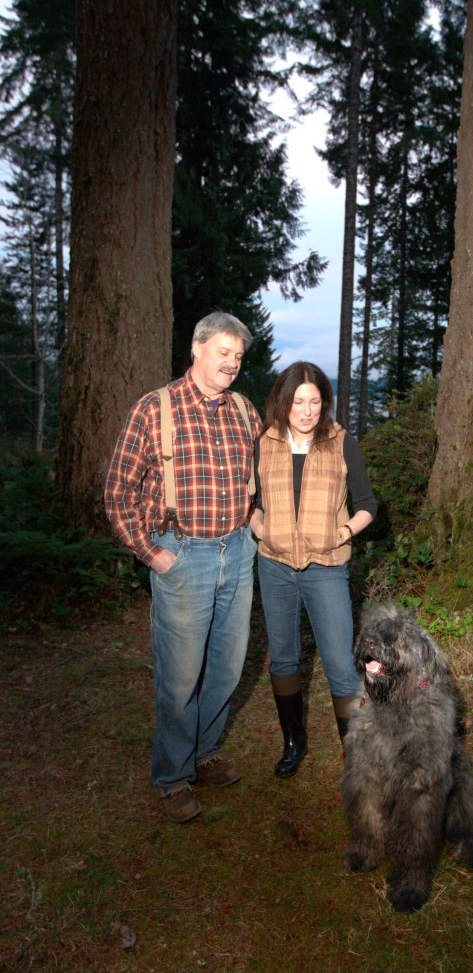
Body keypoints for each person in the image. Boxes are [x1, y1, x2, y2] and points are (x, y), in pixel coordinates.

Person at [105, 311, 261, 823]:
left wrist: (256, 517)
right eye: (223, 352)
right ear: (197, 349)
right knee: (179, 678)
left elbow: (260, 477)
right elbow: (117, 493)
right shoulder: (155, 409)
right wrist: (152, 554)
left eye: (239, 356)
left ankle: (205, 751)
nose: (232, 364)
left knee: (228, 667)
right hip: (182, 557)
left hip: (237, 553)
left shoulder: (244, 411)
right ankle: (173, 775)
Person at [249, 362, 377, 779]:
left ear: (325, 403)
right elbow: (251, 501)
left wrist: (343, 533)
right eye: (298, 402)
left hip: (325, 568)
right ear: (283, 402)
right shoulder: (264, 442)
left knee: (340, 663)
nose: (306, 411)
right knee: (283, 657)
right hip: (275, 567)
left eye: (315, 402)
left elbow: (367, 506)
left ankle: (354, 756)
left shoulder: (341, 442)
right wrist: (260, 527)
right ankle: (293, 742)